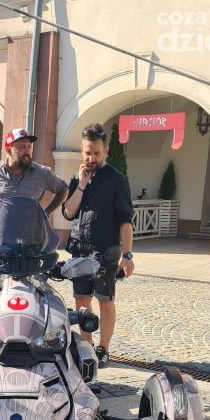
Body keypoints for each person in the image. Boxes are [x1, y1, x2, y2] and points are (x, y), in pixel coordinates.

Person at [62, 123, 134, 368]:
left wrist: (128, 255)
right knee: (81, 302)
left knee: (105, 301)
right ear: (82, 151)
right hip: (80, 249)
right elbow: (69, 213)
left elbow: (125, 220)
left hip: (105, 251)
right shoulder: (77, 178)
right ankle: (86, 346)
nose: (91, 158)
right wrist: (81, 184)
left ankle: (103, 349)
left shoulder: (117, 180)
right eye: (87, 153)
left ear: (105, 151)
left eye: (96, 153)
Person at [0, 128, 68, 221]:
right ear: (9, 151)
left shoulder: (42, 173)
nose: (27, 151)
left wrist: (46, 214)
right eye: (22, 147)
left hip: (30, 233)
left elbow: (63, 189)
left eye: (29, 147)